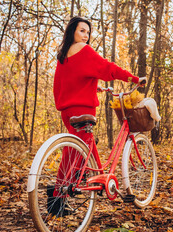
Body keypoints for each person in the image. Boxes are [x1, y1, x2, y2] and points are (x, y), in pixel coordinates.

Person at [49, 16, 140, 216]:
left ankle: (63, 191)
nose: (86, 36)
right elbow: (108, 68)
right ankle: (57, 195)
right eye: (82, 31)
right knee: (76, 152)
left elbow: (68, 81)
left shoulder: (63, 56)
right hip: (83, 109)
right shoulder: (84, 51)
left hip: (67, 111)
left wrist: (93, 86)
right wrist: (133, 78)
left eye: (88, 32)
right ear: (72, 31)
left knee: (78, 151)